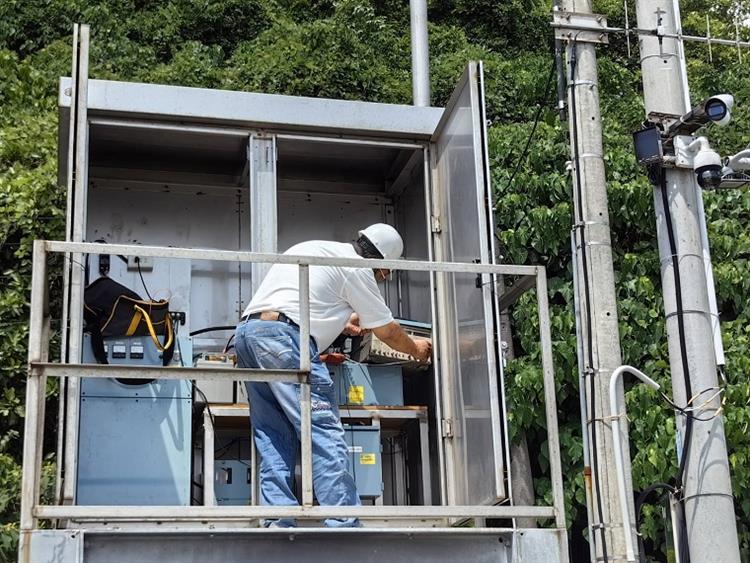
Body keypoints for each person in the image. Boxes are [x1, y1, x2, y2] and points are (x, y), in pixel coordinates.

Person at [235, 223, 432, 528]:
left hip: (249, 335)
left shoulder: (315, 246)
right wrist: (416, 349)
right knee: (323, 431)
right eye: (384, 274)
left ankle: (278, 519)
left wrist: (341, 320)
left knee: (273, 434)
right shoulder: (358, 269)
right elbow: (389, 332)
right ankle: (344, 522)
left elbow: (302, 300)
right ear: (381, 265)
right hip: (285, 339)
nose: (381, 279)